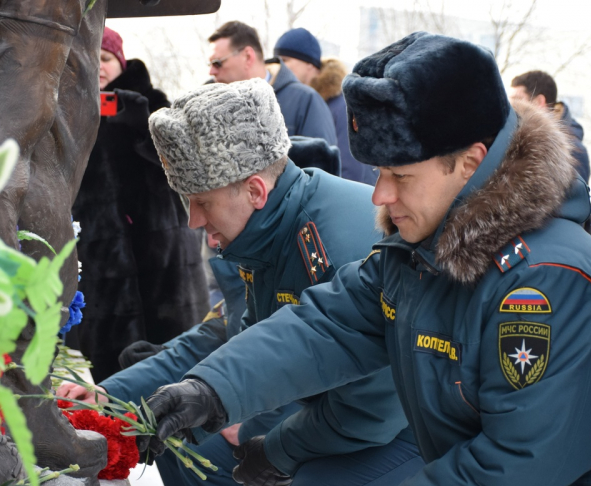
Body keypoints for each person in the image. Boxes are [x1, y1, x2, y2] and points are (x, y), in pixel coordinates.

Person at [137, 33, 591, 486]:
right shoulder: (419, 252)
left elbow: (523, 461)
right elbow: (326, 323)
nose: (379, 196)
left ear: (468, 162)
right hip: (528, 484)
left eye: (399, 176)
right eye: (379, 174)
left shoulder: (544, 281)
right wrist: (210, 390)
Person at [60, 79, 423, 486]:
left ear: (254, 190)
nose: (192, 221)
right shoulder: (265, 233)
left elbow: (377, 400)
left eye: (201, 202)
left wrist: (268, 435)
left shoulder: (333, 239)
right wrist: (114, 397)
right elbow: (228, 338)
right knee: (191, 444)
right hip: (339, 407)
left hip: (411, 424)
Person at [70, 27, 208, 382]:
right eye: (91, 57)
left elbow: (182, 162)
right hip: (101, 260)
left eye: (105, 58)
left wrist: (138, 122)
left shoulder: (153, 102)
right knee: (111, 369)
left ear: (120, 61)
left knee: (172, 355)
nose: (98, 66)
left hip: (162, 255)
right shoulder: (70, 111)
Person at [207, 21, 337, 147]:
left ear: (247, 56)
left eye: (218, 63)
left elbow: (320, 164)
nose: (211, 72)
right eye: (210, 64)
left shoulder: (305, 100)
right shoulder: (206, 101)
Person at [274, 28, 378, 185]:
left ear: (309, 63)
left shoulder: (342, 104)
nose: (280, 66)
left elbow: (351, 167)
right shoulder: (300, 102)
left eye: (285, 59)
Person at [509, 70, 591, 181]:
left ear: (539, 101)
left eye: (517, 100)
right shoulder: (514, 135)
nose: (511, 107)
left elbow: (575, 197)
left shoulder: (574, 152)